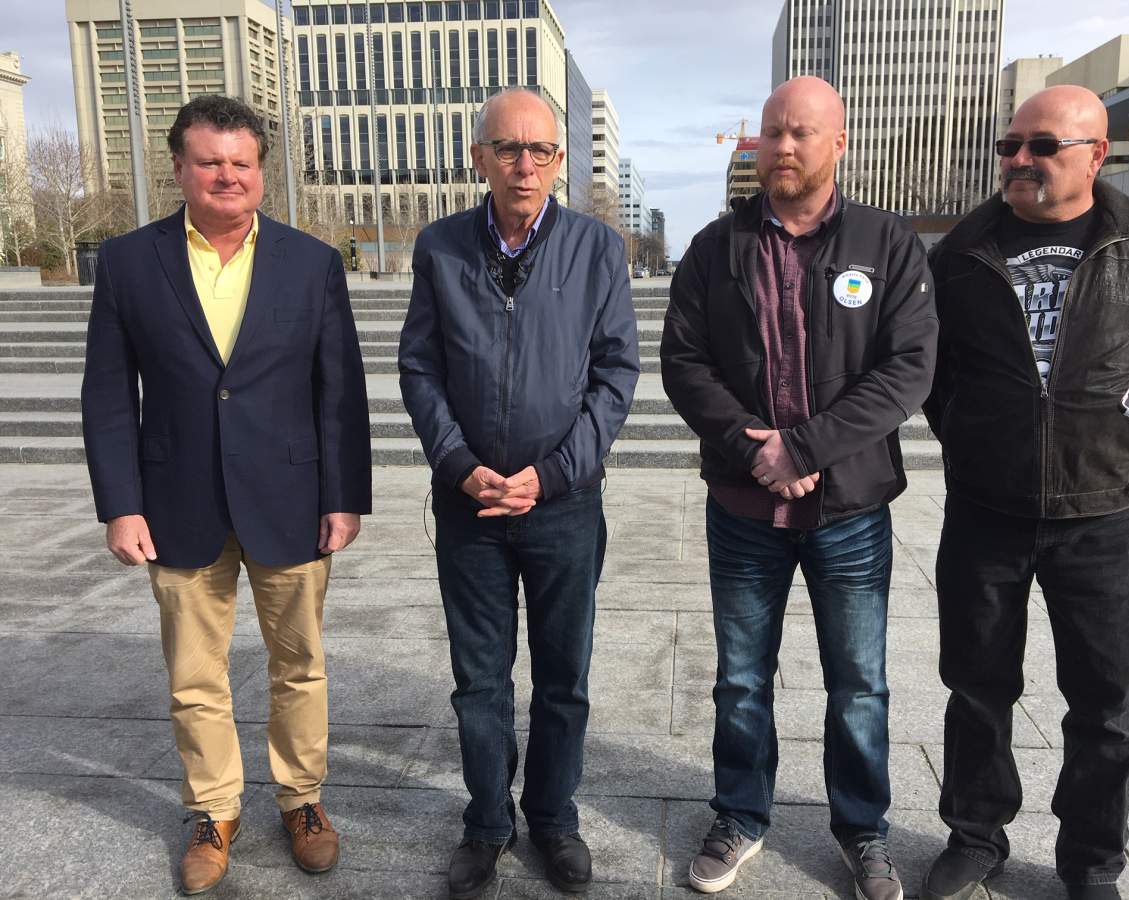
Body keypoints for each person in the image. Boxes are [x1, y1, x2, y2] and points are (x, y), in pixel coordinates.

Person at [81, 95, 372, 895]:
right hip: (177, 499)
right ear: (179, 167)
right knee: (193, 673)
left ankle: (302, 800)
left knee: (300, 664)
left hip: (291, 497)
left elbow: (339, 390)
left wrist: (344, 496)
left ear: (261, 172)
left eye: (242, 163)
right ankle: (213, 811)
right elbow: (108, 393)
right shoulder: (129, 262)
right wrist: (120, 504)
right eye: (210, 162)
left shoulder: (311, 263)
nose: (227, 176)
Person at [659, 76, 937, 900]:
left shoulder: (886, 242)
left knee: (859, 686)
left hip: (849, 510)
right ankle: (741, 815)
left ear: (838, 142)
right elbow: (684, 362)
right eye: (772, 132)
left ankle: (863, 829)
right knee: (742, 679)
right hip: (745, 507)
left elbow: (909, 367)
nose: (782, 146)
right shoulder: (716, 247)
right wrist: (755, 447)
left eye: (801, 132)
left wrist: (807, 446)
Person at [920, 85, 1129, 900]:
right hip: (986, 511)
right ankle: (975, 837)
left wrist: (1126, 455)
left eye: (1042, 146)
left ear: (1096, 154)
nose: (1019, 160)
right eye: (1010, 145)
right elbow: (935, 377)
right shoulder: (962, 250)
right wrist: (976, 441)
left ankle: (1091, 862)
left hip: (1104, 517)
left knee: (1106, 704)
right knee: (977, 688)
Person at [397, 88, 639, 900]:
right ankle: (487, 822)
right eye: (507, 148)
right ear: (480, 158)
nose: (524, 164)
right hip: (470, 504)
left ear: (559, 161)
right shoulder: (440, 248)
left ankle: (554, 817)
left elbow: (616, 373)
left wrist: (556, 472)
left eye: (539, 150)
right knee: (480, 681)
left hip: (562, 504)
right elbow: (420, 367)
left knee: (563, 675)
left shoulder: (597, 249)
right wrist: (458, 463)